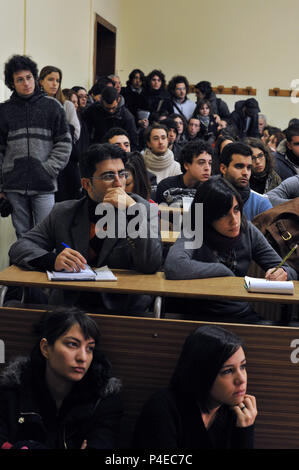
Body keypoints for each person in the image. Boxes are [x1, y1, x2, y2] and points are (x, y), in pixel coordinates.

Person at [9, 143, 163, 314]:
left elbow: (151, 263)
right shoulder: (64, 212)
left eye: (122, 174)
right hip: (70, 308)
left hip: (123, 308)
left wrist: (133, 212)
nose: (118, 183)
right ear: (87, 184)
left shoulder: (143, 209)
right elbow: (20, 247)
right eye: (108, 176)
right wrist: (52, 260)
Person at [164, 176, 297, 323]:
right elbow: (174, 266)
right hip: (198, 316)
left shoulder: (247, 230)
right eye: (224, 214)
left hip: (239, 313)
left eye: (236, 210)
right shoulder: (196, 229)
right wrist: (223, 271)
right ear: (208, 216)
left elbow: (288, 269)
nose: (234, 220)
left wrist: (282, 273)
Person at [0, 307, 123, 449]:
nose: (83, 357)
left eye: (89, 348)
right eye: (72, 344)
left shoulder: (104, 401)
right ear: (46, 348)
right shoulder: (12, 391)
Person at [133, 325, 257, 449]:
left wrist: (245, 432)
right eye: (228, 371)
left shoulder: (238, 413)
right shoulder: (162, 408)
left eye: (243, 366)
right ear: (202, 374)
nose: (241, 379)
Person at [0, 55, 72, 238]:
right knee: (23, 236)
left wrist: (48, 169)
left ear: (35, 77)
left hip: (44, 183)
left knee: (46, 234)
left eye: (29, 77)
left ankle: (43, 266)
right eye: (20, 80)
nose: (26, 83)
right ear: (12, 84)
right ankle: (24, 266)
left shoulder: (53, 107)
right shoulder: (4, 111)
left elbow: (64, 144)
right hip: (14, 185)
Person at [39, 65, 82, 202]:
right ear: (41, 81)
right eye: (51, 79)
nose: (54, 84)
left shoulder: (66, 104)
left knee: (64, 200)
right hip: (42, 156)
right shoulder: (35, 104)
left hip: (64, 159)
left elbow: (75, 133)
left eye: (57, 81)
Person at [219, 142, 272, 220]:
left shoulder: (262, 203)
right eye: (239, 166)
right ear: (223, 168)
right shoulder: (202, 196)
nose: (245, 173)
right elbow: (197, 231)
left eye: (249, 168)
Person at [155, 140, 212, 205]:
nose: (207, 168)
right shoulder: (167, 187)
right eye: (201, 163)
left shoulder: (211, 189)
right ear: (186, 165)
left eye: (210, 163)